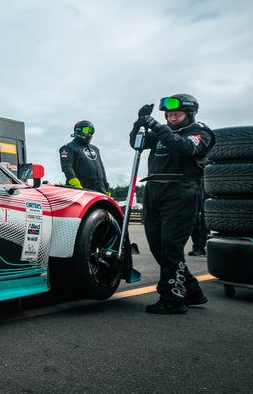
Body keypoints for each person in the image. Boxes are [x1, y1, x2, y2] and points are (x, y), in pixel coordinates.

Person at [131, 94, 215, 314]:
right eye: (168, 115)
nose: (172, 118)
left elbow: (185, 148)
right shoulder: (160, 133)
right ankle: (192, 291)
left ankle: (172, 299)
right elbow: (135, 144)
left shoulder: (200, 132)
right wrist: (139, 122)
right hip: (154, 191)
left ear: (189, 114)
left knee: (171, 247)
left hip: (181, 191)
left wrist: (157, 127)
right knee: (158, 247)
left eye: (176, 114)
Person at [59, 120, 111, 194]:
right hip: (81, 189)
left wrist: (106, 188)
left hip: (99, 190)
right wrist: (76, 184)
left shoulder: (95, 149)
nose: (89, 134)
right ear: (78, 131)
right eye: (86, 130)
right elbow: (67, 167)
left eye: (91, 131)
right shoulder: (68, 148)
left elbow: (102, 169)